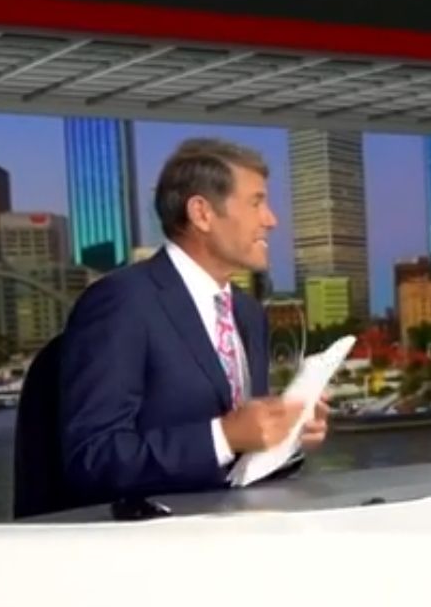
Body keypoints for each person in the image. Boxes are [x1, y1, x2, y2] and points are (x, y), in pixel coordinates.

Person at [57, 138, 329, 508]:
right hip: (155, 537)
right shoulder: (123, 302)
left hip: (243, 527)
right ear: (202, 213)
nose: (271, 219)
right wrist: (224, 436)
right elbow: (92, 458)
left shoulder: (248, 312)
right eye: (256, 203)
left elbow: (241, 463)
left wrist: (286, 435)